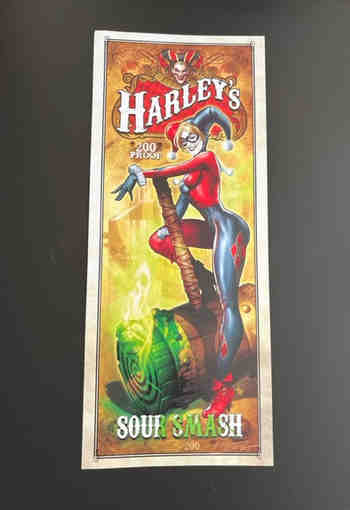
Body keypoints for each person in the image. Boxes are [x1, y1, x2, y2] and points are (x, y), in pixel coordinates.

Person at [112, 106, 250, 418]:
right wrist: (168, 222)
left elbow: (173, 166)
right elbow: (177, 213)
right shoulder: (188, 177)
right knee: (159, 239)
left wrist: (141, 172)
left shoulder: (206, 159)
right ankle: (204, 278)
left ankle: (223, 388)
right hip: (209, 228)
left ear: (201, 135)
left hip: (228, 230)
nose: (188, 141)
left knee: (228, 305)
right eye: (182, 139)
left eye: (192, 135)